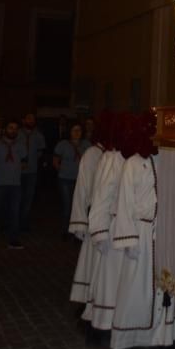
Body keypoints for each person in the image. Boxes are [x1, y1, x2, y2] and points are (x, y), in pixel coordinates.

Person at [110, 112, 175, 349]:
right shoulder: (132, 163)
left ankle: (162, 336)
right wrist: (128, 239)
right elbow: (124, 202)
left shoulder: (167, 161)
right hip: (140, 234)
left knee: (164, 290)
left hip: (161, 233)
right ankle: (127, 338)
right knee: (134, 288)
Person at [86, 114, 129, 330]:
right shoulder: (112, 158)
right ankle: (103, 321)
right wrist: (99, 230)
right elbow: (101, 195)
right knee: (108, 279)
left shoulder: (123, 158)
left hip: (119, 225)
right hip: (110, 225)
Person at [69, 113, 111, 309]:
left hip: (107, 218)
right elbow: (83, 187)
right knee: (90, 262)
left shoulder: (113, 156)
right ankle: (87, 299)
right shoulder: (92, 154)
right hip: (94, 215)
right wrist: (80, 220)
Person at [0, 118, 27, 249]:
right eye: (10, 128)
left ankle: (13, 239)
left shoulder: (21, 146)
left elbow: (25, 163)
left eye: (15, 128)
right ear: (5, 129)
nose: (13, 130)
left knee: (14, 212)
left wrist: (15, 168)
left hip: (15, 184)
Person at [54, 122, 91, 240]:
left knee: (80, 206)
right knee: (67, 205)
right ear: (69, 132)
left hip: (81, 180)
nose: (76, 133)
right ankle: (66, 230)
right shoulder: (63, 144)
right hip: (65, 179)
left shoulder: (86, 144)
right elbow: (55, 161)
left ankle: (79, 231)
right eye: (74, 130)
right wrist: (63, 170)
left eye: (79, 130)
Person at [18, 112, 46, 232]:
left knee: (28, 198)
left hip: (32, 171)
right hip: (17, 172)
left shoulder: (39, 135)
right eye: (28, 118)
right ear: (24, 120)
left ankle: (24, 222)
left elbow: (40, 153)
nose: (30, 121)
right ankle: (13, 221)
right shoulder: (17, 133)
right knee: (16, 197)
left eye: (32, 119)